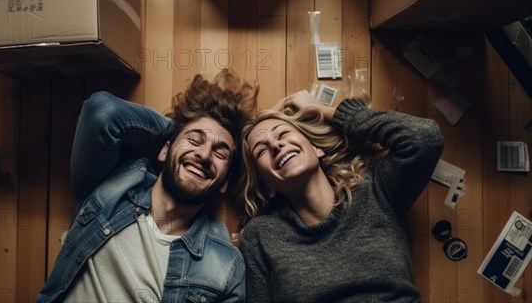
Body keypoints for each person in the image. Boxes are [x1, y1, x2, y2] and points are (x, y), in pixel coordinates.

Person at [36, 70, 258, 303]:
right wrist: (175, 131)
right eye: (194, 140)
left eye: (219, 152)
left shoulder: (226, 264)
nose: (204, 154)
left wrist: (182, 142)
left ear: (225, 183)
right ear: (164, 150)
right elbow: (103, 111)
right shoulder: (112, 185)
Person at [239, 90, 444, 302]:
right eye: (261, 150)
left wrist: (322, 110)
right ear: (267, 185)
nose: (275, 145)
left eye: (283, 134)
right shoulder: (260, 236)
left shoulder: (375, 190)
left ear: (316, 148)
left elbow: (425, 138)